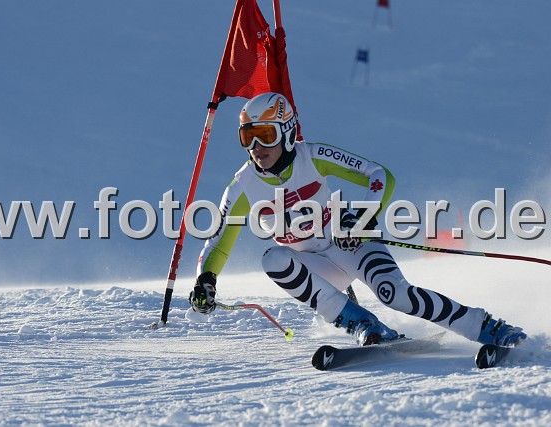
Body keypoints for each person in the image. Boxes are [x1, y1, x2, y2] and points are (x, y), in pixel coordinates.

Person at [189, 92, 526, 347]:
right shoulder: (243, 186)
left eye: (265, 135)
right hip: (317, 268)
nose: (256, 147)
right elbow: (217, 244)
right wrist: (206, 279)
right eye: (247, 136)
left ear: (287, 132)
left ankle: (487, 327)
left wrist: (362, 221)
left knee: (395, 295)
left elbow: (379, 175)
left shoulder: (313, 156)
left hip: (350, 243)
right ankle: (364, 323)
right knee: (273, 259)